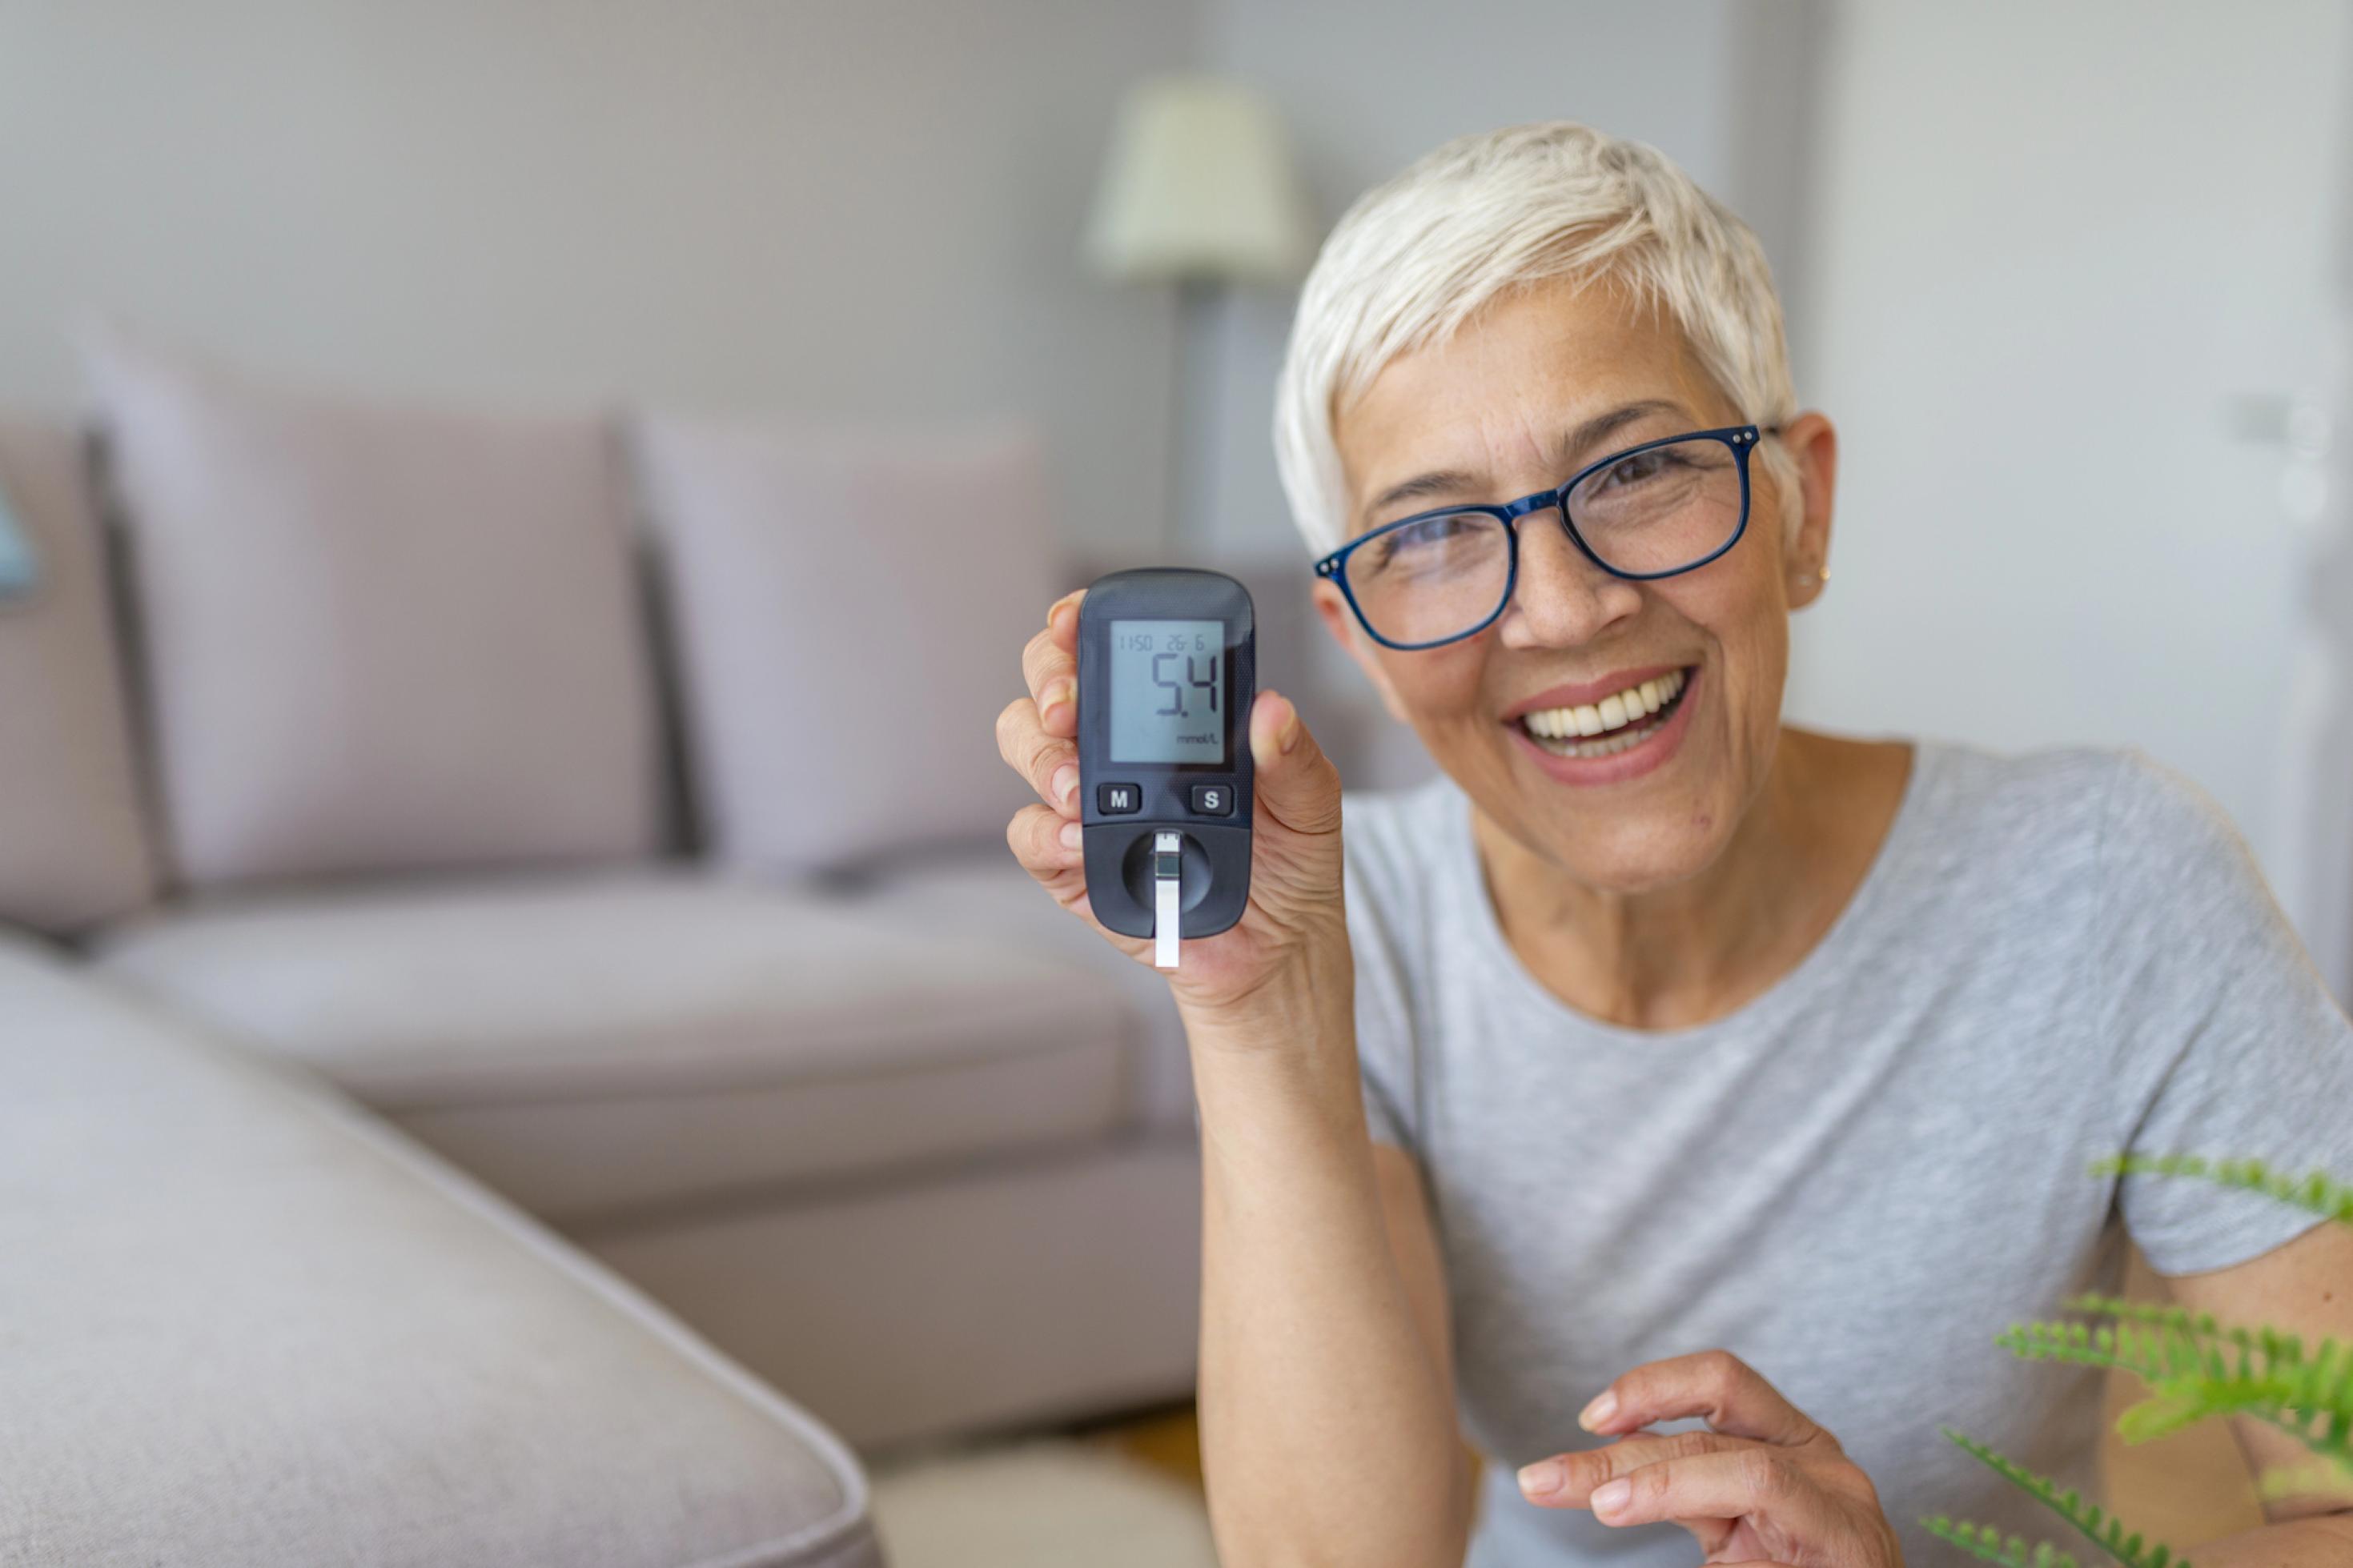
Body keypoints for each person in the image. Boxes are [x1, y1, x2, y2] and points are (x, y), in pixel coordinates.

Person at [996, 120, 2353, 1566]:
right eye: (1438, 532)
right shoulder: (1345, 929)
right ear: (1367, 648)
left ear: (1803, 510)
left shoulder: (2113, 885)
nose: (1565, 611)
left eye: (1639, 473)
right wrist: (1260, 1016)